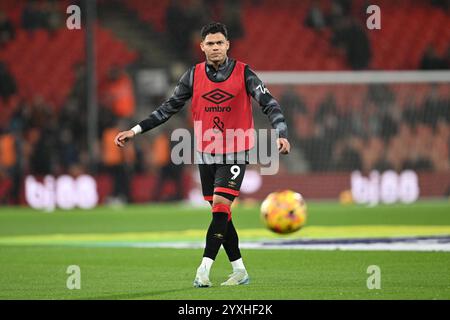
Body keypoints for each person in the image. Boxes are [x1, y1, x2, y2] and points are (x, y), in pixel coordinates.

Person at [114, 22, 291, 287]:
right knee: (222, 216)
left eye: (220, 42)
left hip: (235, 150)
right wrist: (136, 130)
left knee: (221, 207)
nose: (215, 47)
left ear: (227, 45)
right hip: (205, 153)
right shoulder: (193, 75)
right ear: (202, 47)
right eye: (210, 43)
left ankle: (203, 269)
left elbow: (269, 103)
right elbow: (167, 108)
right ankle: (240, 270)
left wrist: (281, 131)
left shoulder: (244, 73)